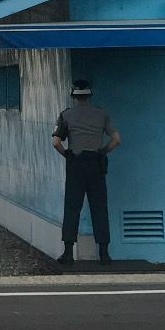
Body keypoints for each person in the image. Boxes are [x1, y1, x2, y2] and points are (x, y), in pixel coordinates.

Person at [51, 78, 122, 266]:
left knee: (72, 207)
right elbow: (116, 139)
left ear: (73, 95)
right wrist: (103, 152)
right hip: (96, 164)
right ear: (90, 95)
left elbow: (56, 142)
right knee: (99, 207)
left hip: (76, 164)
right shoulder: (102, 114)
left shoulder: (66, 115)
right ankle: (104, 254)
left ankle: (68, 253)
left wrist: (67, 155)